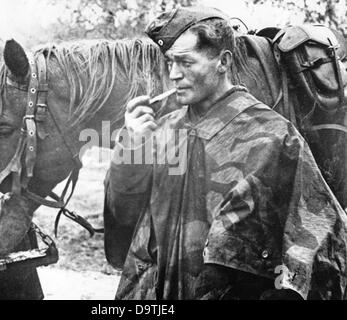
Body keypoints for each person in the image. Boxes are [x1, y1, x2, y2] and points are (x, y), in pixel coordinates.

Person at [103, 6, 347, 300]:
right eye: (170, 62)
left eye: (186, 62)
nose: (174, 74)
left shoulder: (273, 137)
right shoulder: (163, 130)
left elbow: (323, 237)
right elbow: (123, 213)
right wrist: (131, 145)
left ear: (224, 61)